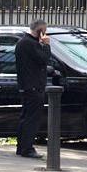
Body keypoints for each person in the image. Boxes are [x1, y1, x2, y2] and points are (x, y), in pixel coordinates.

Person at [15, 19, 51, 159]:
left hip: (27, 86)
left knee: (25, 117)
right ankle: (27, 148)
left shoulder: (23, 42)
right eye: (45, 31)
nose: (46, 34)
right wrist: (46, 45)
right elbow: (44, 59)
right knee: (32, 119)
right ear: (40, 31)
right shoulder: (30, 44)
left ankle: (21, 146)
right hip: (34, 86)